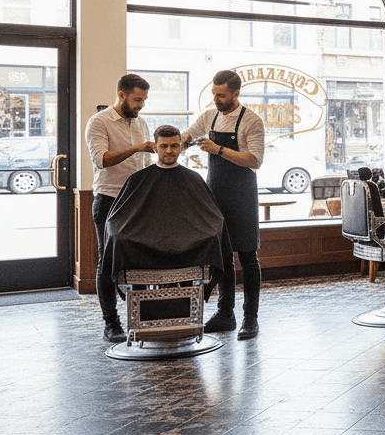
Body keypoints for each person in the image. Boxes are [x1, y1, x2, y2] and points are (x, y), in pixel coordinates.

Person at [183, 70, 265, 338]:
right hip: (215, 195)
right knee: (223, 257)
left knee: (248, 257)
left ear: (235, 94)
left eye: (221, 95)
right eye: (213, 94)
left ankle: (250, 318)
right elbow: (188, 135)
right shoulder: (209, 116)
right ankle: (225, 314)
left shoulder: (251, 121)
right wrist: (175, 144)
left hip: (242, 196)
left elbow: (254, 160)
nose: (216, 99)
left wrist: (218, 149)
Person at [99, 126, 226, 287]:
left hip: (186, 246)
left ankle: (185, 306)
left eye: (174, 146)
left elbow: (213, 217)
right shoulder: (138, 179)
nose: (169, 151)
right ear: (155, 147)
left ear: (181, 146)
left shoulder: (193, 178)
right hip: (145, 247)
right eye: (163, 146)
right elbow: (117, 219)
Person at [83, 73, 154, 343]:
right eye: (137, 99)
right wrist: (137, 148)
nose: (141, 105)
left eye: (144, 100)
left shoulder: (143, 123)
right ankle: (111, 323)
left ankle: (143, 317)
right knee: (108, 261)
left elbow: (145, 165)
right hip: (109, 200)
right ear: (121, 95)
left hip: (138, 200)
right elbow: (101, 160)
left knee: (141, 260)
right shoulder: (98, 122)